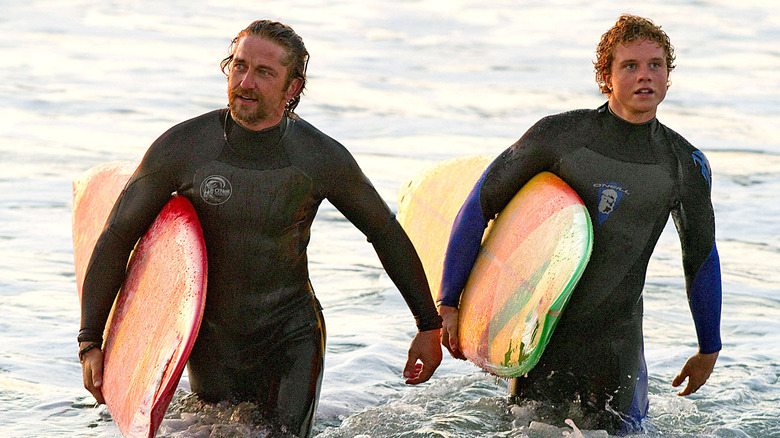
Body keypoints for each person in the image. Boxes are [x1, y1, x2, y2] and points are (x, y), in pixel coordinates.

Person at [77, 20, 442, 437]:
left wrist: (427, 325)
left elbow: (385, 232)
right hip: (211, 343)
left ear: (292, 88)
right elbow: (118, 235)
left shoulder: (320, 157)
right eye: (238, 66)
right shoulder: (183, 149)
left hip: (291, 336)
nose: (245, 82)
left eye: (264, 72)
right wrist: (91, 340)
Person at [437, 14, 722, 432]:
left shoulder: (684, 164)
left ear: (668, 75)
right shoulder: (560, 137)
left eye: (655, 65)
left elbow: (700, 257)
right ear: (605, 76)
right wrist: (449, 300)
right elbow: (480, 206)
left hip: (618, 346)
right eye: (630, 66)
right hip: (543, 339)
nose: (645, 76)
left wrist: (708, 346)